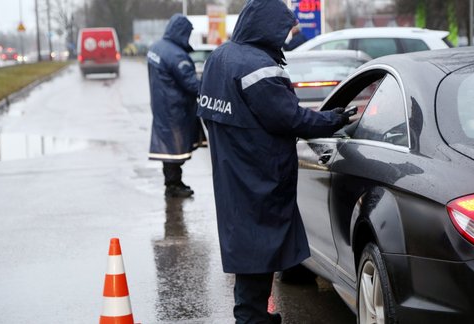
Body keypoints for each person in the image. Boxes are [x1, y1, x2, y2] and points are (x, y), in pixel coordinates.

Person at [197, 0, 351, 322]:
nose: (285, 37)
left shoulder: (219, 58)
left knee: (250, 258)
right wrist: (333, 120)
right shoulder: (258, 68)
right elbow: (290, 119)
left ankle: (258, 317)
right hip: (261, 180)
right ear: (268, 27)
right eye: (283, 30)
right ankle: (253, 319)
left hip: (232, 176)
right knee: (257, 258)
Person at [147, 14, 201, 198]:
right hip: (175, 109)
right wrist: (210, 87)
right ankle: (173, 185)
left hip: (162, 106)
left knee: (168, 146)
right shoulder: (176, 55)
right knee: (174, 149)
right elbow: (191, 84)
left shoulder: (157, 48)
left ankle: (173, 182)